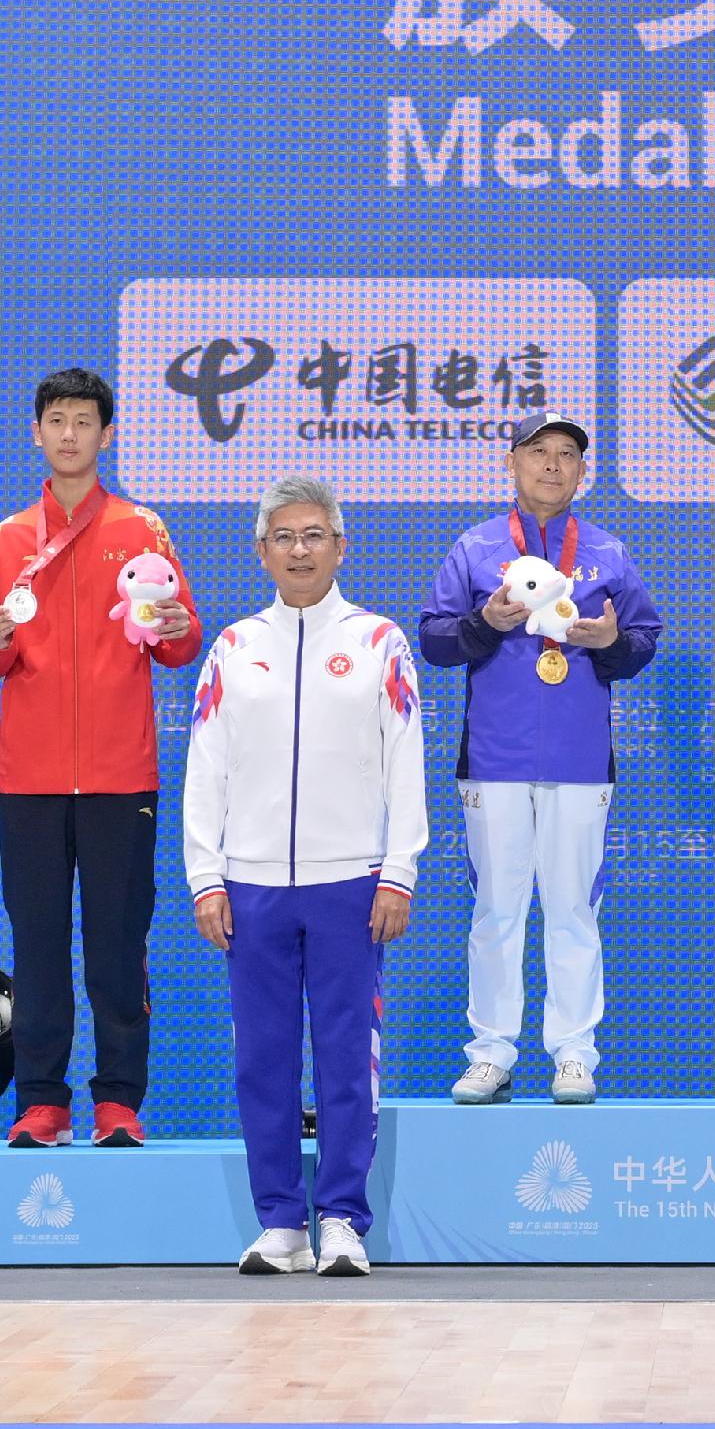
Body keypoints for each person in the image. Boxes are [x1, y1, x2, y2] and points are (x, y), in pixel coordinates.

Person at [183, 474, 429, 1278]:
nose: (299, 549)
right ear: (261, 551)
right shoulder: (233, 647)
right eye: (284, 537)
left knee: (346, 1055)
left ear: (340, 546)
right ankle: (282, 1222)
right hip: (251, 886)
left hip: (350, 882)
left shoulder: (379, 641)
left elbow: (405, 761)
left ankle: (345, 1220)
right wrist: (206, 875)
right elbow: (205, 767)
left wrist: (398, 869)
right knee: (263, 1059)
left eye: (313, 535)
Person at [0, 365, 202, 1147]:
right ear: (36, 432)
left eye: (84, 422)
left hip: (120, 775)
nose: (70, 435)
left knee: (117, 946)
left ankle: (118, 1101)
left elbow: (179, 642)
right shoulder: (9, 537)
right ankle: (41, 1100)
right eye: (57, 421)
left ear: (107, 434)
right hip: (28, 779)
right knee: (37, 947)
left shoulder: (142, 529)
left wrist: (175, 626)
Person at [417, 415, 662, 1105]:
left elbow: (643, 639)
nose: (553, 465)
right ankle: (492, 1053)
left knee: (573, 910)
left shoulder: (607, 552)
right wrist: (484, 623)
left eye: (567, 454)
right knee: (496, 909)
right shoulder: (477, 547)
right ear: (512, 462)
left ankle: (574, 1053)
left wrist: (611, 642)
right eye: (539, 452)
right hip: (493, 756)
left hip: (581, 759)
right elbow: (433, 638)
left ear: (582, 471)